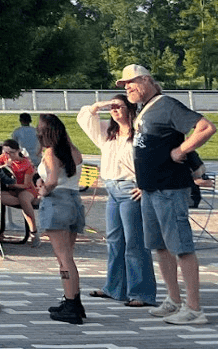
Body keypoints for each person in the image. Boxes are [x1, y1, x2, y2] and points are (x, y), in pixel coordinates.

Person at [120, 63, 215, 325]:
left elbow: (206, 127)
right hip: (151, 189)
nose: (127, 87)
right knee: (160, 246)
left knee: (181, 246)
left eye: (131, 82)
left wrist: (181, 150)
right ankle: (173, 299)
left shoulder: (167, 105)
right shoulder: (144, 110)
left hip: (170, 188)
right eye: (124, 84)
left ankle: (194, 308)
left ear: (147, 80)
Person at [77, 93, 155, 308]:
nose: (115, 110)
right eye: (113, 108)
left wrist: (145, 184)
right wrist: (100, 105)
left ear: (131, 110)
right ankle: (115, 287)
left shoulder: (140, 133)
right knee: (114, 240)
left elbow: (152, 158)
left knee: (134, 242)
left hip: (131, 188)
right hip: (111, 187)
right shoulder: (107, 133)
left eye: (119, 107)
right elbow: (84, 118)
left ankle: (142, 292)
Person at [35, 114, 87, 324]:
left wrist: (42, 190)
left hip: (57, 202)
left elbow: (53, 180)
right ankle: (74, 299)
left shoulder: (51, 152)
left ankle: (71, 304)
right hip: (74, 201)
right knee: (68, 257)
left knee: (63, 259)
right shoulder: (73, 150)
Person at [0, 140, 39, 243]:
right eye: (6, 153)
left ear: (18, 151)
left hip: (26, 189)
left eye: (12, 153)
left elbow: (26, 185)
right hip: (12, 190)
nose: (9, 155)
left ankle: (34, 231)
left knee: (23, 198)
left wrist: (11, 183)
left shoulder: (26, 164)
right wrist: (4, 167)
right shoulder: (4, 158)